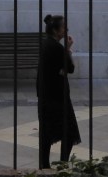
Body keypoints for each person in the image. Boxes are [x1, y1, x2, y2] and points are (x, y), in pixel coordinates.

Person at [36, 14, 81, 168]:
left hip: (46, 96)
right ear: (56, 30)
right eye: (64, 27)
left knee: (46, 134)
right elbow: (70, 68)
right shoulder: (56, 47)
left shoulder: (46, 44)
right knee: (69, 133)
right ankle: (62, 164)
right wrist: (68, 50)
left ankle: (44, 166)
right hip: (58, 98)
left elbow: (62, 69)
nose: (66, 30)